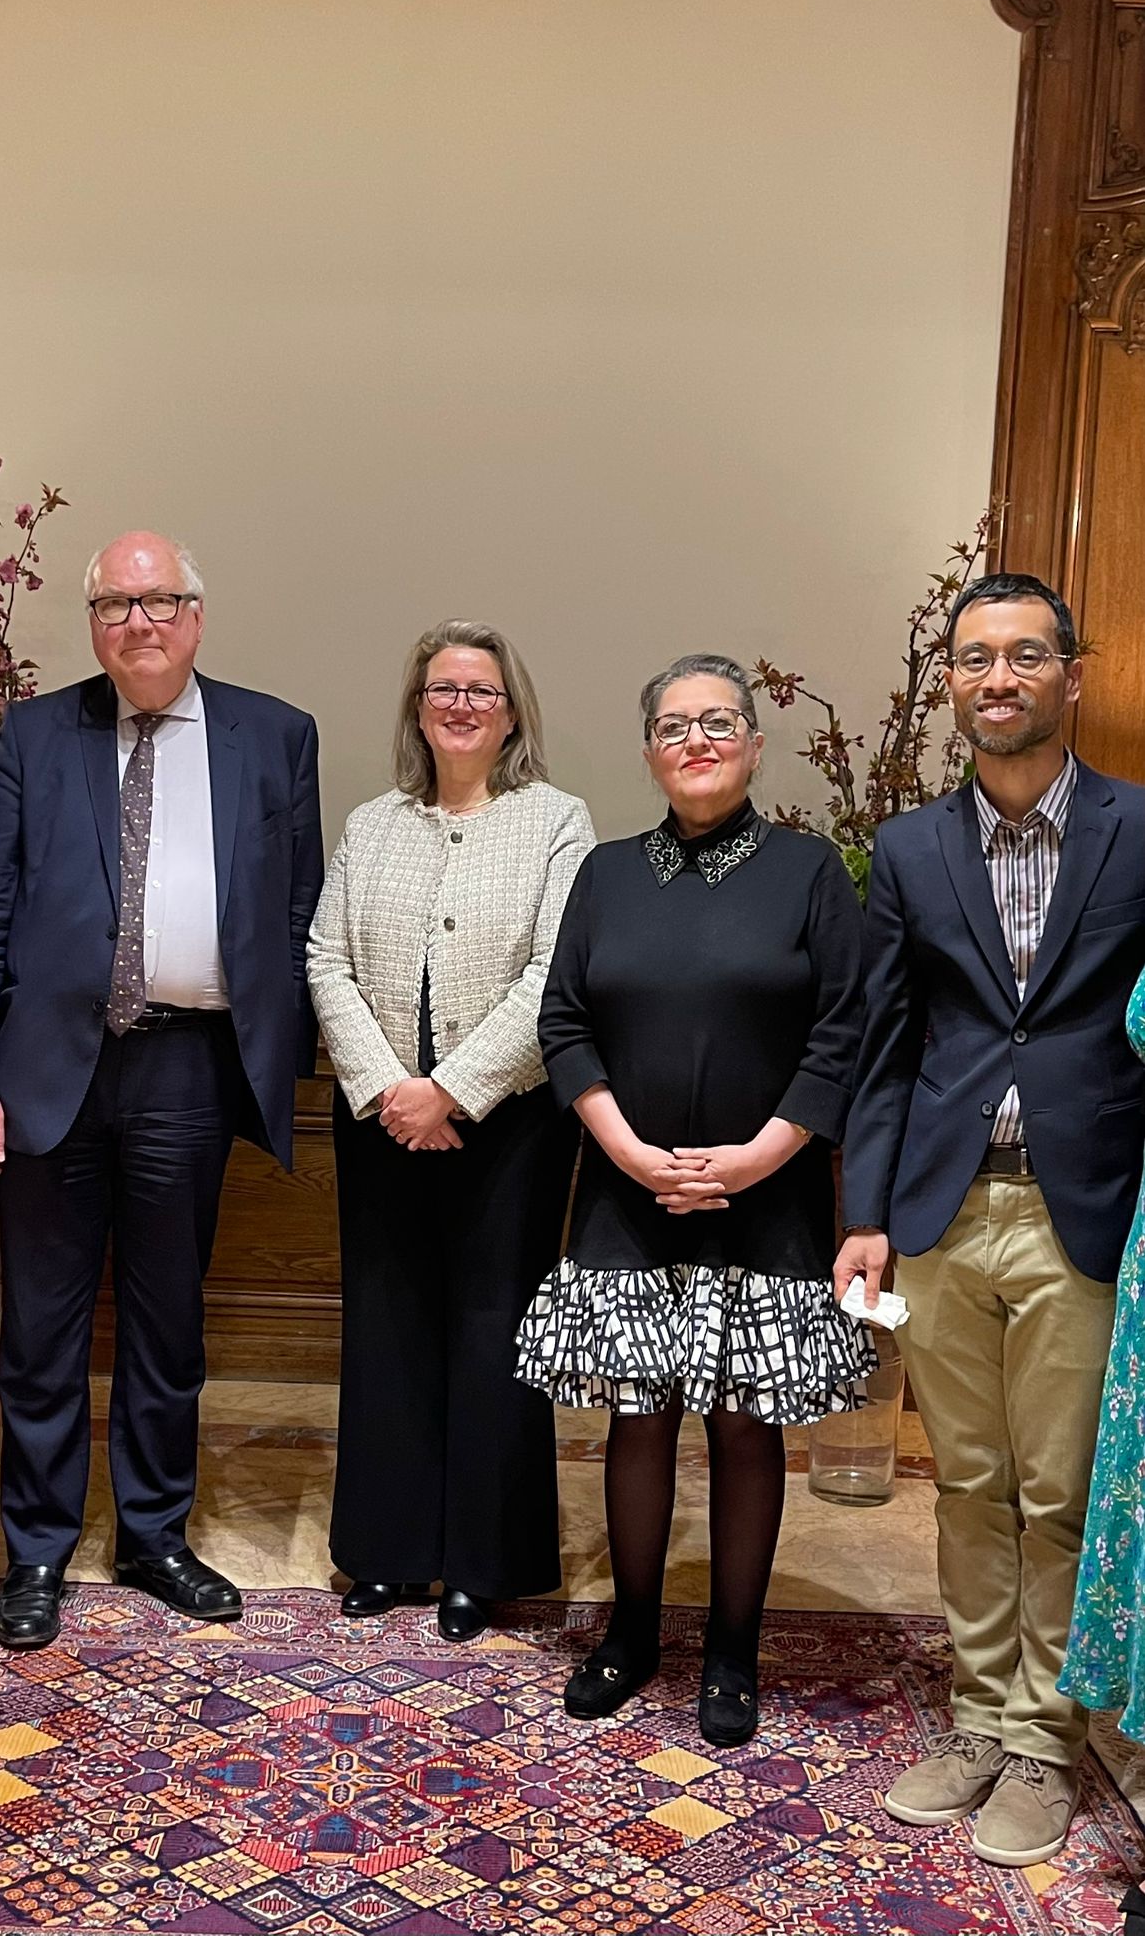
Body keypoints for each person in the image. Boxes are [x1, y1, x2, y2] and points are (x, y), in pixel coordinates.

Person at [0, 532, 324, 1650]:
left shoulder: (275, 735)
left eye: (160, 601)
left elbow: (295, 910)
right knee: (42, 1327)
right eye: (114, 602)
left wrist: (281, 1048)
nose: (139, 621)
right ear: (94, 621)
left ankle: (154, 1533)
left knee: (168, 1321)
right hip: (46, 1067)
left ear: (197, 615)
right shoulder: (36, 732)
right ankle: (39, 1546)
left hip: (187, 1069)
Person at [838, 571, 1145, 1865]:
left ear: (1070, 676)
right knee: (965, 1482)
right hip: (941, 1210)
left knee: (1059, 1485)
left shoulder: (1140, 831)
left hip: (1088, 1207)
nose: (997, 678)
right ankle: (974, 1717)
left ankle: (1043, 1739)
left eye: (1024, 656)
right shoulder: (908, 849)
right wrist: (863, 1214)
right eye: (973, 659)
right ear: (949, 684)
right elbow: (882, 1044)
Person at [517, 653, 873, 1748]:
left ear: (755, 744)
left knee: (741, 1418)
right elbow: (564, 1019)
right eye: (673, 726)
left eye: (718, 722)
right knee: (637, 1410)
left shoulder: (811, 872)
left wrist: (761, 1154)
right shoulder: (607, 872)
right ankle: (628, 1632)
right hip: (630, 1191)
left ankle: (730, 1647)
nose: (696, 741)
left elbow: (845, 1028)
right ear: (648, 751)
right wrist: (626, 1148)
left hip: (764, 1197)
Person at [307, 621, 592, 1642]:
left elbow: (554, 974)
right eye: (441, 687)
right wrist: (389, 1085)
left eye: (480, 688)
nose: (460, 703)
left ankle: (484, 1560)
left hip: (507, 1120)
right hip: (379, 1114)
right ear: (416, 707)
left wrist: (455, 1089)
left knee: (490, 1330)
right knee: (385, 1326)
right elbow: (324, 957)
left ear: (510, 709)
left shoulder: (556, 821)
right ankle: (386, 1549)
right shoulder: (372, 823)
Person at [1062, 962, 1145, 1740]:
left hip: (1087, 1195)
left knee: (1052, 1500)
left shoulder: (1121, 839)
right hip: (1140, 1235)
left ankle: (1043, 1741)